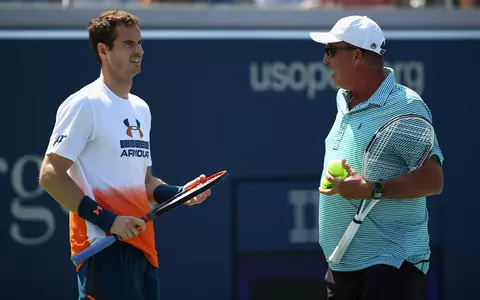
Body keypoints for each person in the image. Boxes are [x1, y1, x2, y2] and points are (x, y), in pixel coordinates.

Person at [38, 9, 211, 300]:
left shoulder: (140, 108)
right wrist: (109, 221)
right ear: (103, 50)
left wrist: (180, 193)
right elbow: (50, 175)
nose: (139, 51)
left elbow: (144, 184)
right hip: (103, 249)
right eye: (129, 44)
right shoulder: (84, 104)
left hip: (142, 248)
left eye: (140, 43)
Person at [309, 15, 444, 300]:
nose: (325, 60)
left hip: (390, 267)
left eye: (331, 51)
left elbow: (434, 180)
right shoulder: (344, 101)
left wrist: (372, 190)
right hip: (343, 264)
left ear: (356, 55)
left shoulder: (405, 105)